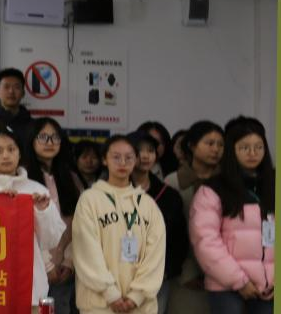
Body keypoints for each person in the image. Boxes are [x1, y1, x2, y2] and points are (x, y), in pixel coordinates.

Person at [0, 127, 66, 308]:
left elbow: (52, 240)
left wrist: (42, 211)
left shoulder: (37, 190)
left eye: (11, 149)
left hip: (30, 290)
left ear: (20, 153)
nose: (5, 155)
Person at [72, 135, 166, 314]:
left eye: (129, 157)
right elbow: (86, 251)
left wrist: (136, 296)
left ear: (136, 160)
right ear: (104, 160)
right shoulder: (90, 200)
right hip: (99, 305)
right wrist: (111, 294)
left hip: (140, 307)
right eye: (116, 157)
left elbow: (156, 254)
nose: (122, 163)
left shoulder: (148, 204)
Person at [190, 116, 274, 314]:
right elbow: (205, 240)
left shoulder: (273, 185)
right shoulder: (213, 189)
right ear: (231, 150)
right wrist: (239, 281)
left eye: (258, 147)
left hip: (268, 285)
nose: (252, 153)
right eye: (244, 147)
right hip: (226, 285)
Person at [164, 121, 225, 314]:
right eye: (209, 143)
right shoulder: (173, 181)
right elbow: (169, 233)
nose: (216, 149)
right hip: (183, 275)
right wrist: (185, 272)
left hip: (223, 274)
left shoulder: (229, 182)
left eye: (220, 144)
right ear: (191, 145)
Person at [24, 117, 82, 314]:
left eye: (55, 137)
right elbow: (24, 229)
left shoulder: (70, 178)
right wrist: (47, 265)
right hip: (33, 270)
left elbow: (80, 224)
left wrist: (69, 261)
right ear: (31, 140)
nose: (49, 142)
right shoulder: (23, 179)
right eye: (43, 137)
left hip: (64, 270)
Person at [131, 132, 189, 314]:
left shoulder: (169, 196)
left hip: (157, 276)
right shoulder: (110, 193)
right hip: (119, 276)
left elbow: (178, 239)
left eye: (150, 151)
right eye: (139, 151)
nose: (145, 156)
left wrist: (167, 270)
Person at [0, 68, 33, 140]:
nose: (11, 91)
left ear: (23, 93)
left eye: (16, 87)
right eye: (6, 87)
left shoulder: (34, 126)